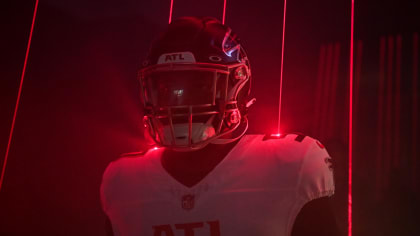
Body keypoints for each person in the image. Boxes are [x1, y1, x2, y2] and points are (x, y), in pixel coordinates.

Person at [101, 16, 339, 236]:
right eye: (166, 88)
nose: (178, 101)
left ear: (237, 84)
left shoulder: (292, 164)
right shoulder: (123, 181)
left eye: (197, 85)